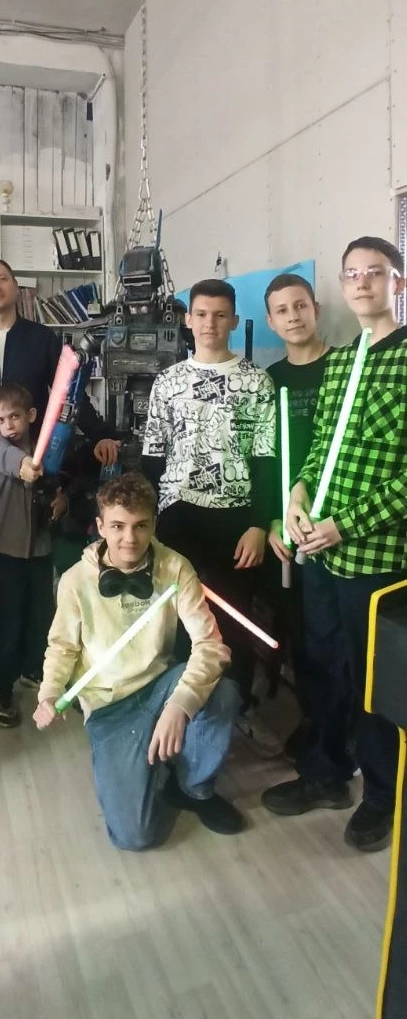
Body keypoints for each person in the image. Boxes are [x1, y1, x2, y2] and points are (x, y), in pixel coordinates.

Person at [263, 236, 407, 852]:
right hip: (319, 551)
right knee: (322, 669)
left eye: (376, 271)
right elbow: (322, 444)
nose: (362, 281)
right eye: (352, 273)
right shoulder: (344, 362)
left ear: (398, 282)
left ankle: (382, 795)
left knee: (373, 681)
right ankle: (325, 774)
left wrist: (346, 524)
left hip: (375, 557)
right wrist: (297, 495)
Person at [34, 472, 243, 850]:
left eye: (140, 526)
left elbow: (211, 646)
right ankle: (152, 765)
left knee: (223, 692)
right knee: (134, 837)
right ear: (100, 526)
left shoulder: (175, 567)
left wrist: (179, 705)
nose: (129, 538)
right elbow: (62, 646)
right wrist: (50, 692)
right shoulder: (74, 581)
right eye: (117, 526)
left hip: (160, 684)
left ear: (153, 525)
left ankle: (192, 786)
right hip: (109, 705)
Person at [0, 257, 119, 680]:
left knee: (34, 566)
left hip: (36, 469)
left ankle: (32, 653)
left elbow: (71, 393)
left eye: (2, 279)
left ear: (15, 287)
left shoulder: (42, 339)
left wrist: (101, 434)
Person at [141, 278, 278, 756]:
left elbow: (266, 461)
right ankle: (180, 713)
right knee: (180, 620)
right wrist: (149, 523)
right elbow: (153, 457)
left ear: (234, 320)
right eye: (201, 314)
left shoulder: (257, 382)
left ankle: (233, 710)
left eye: (220, 315)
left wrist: (259, 523)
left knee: (234, 620)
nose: (210, 324)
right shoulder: (168, 382)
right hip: (177, 517)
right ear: (188, 319)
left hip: (237, 520)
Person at [263, 272, 332, 760]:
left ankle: (338, 731)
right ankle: (312, 718)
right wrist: (273, 520)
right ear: (270, 321)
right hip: (287, 530)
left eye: (300, 305)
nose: (293, 316)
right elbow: (267, 461)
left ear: (316, 310)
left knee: (335, 639)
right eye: (282, 310)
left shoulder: (345, 368)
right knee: (299, 633)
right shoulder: (270, 381)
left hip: (335, 528)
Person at [0, 381, 66, 728]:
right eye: (1, 420)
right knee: (7, 622)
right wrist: (27, 467)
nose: (8, 426)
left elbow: (56, 483)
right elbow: (13, 462)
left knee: (41, 616)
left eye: (15, 417)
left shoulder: (48, 447)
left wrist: (61, 498)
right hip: (7, 549)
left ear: (31, 416)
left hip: (41, 549)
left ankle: (34, 669)